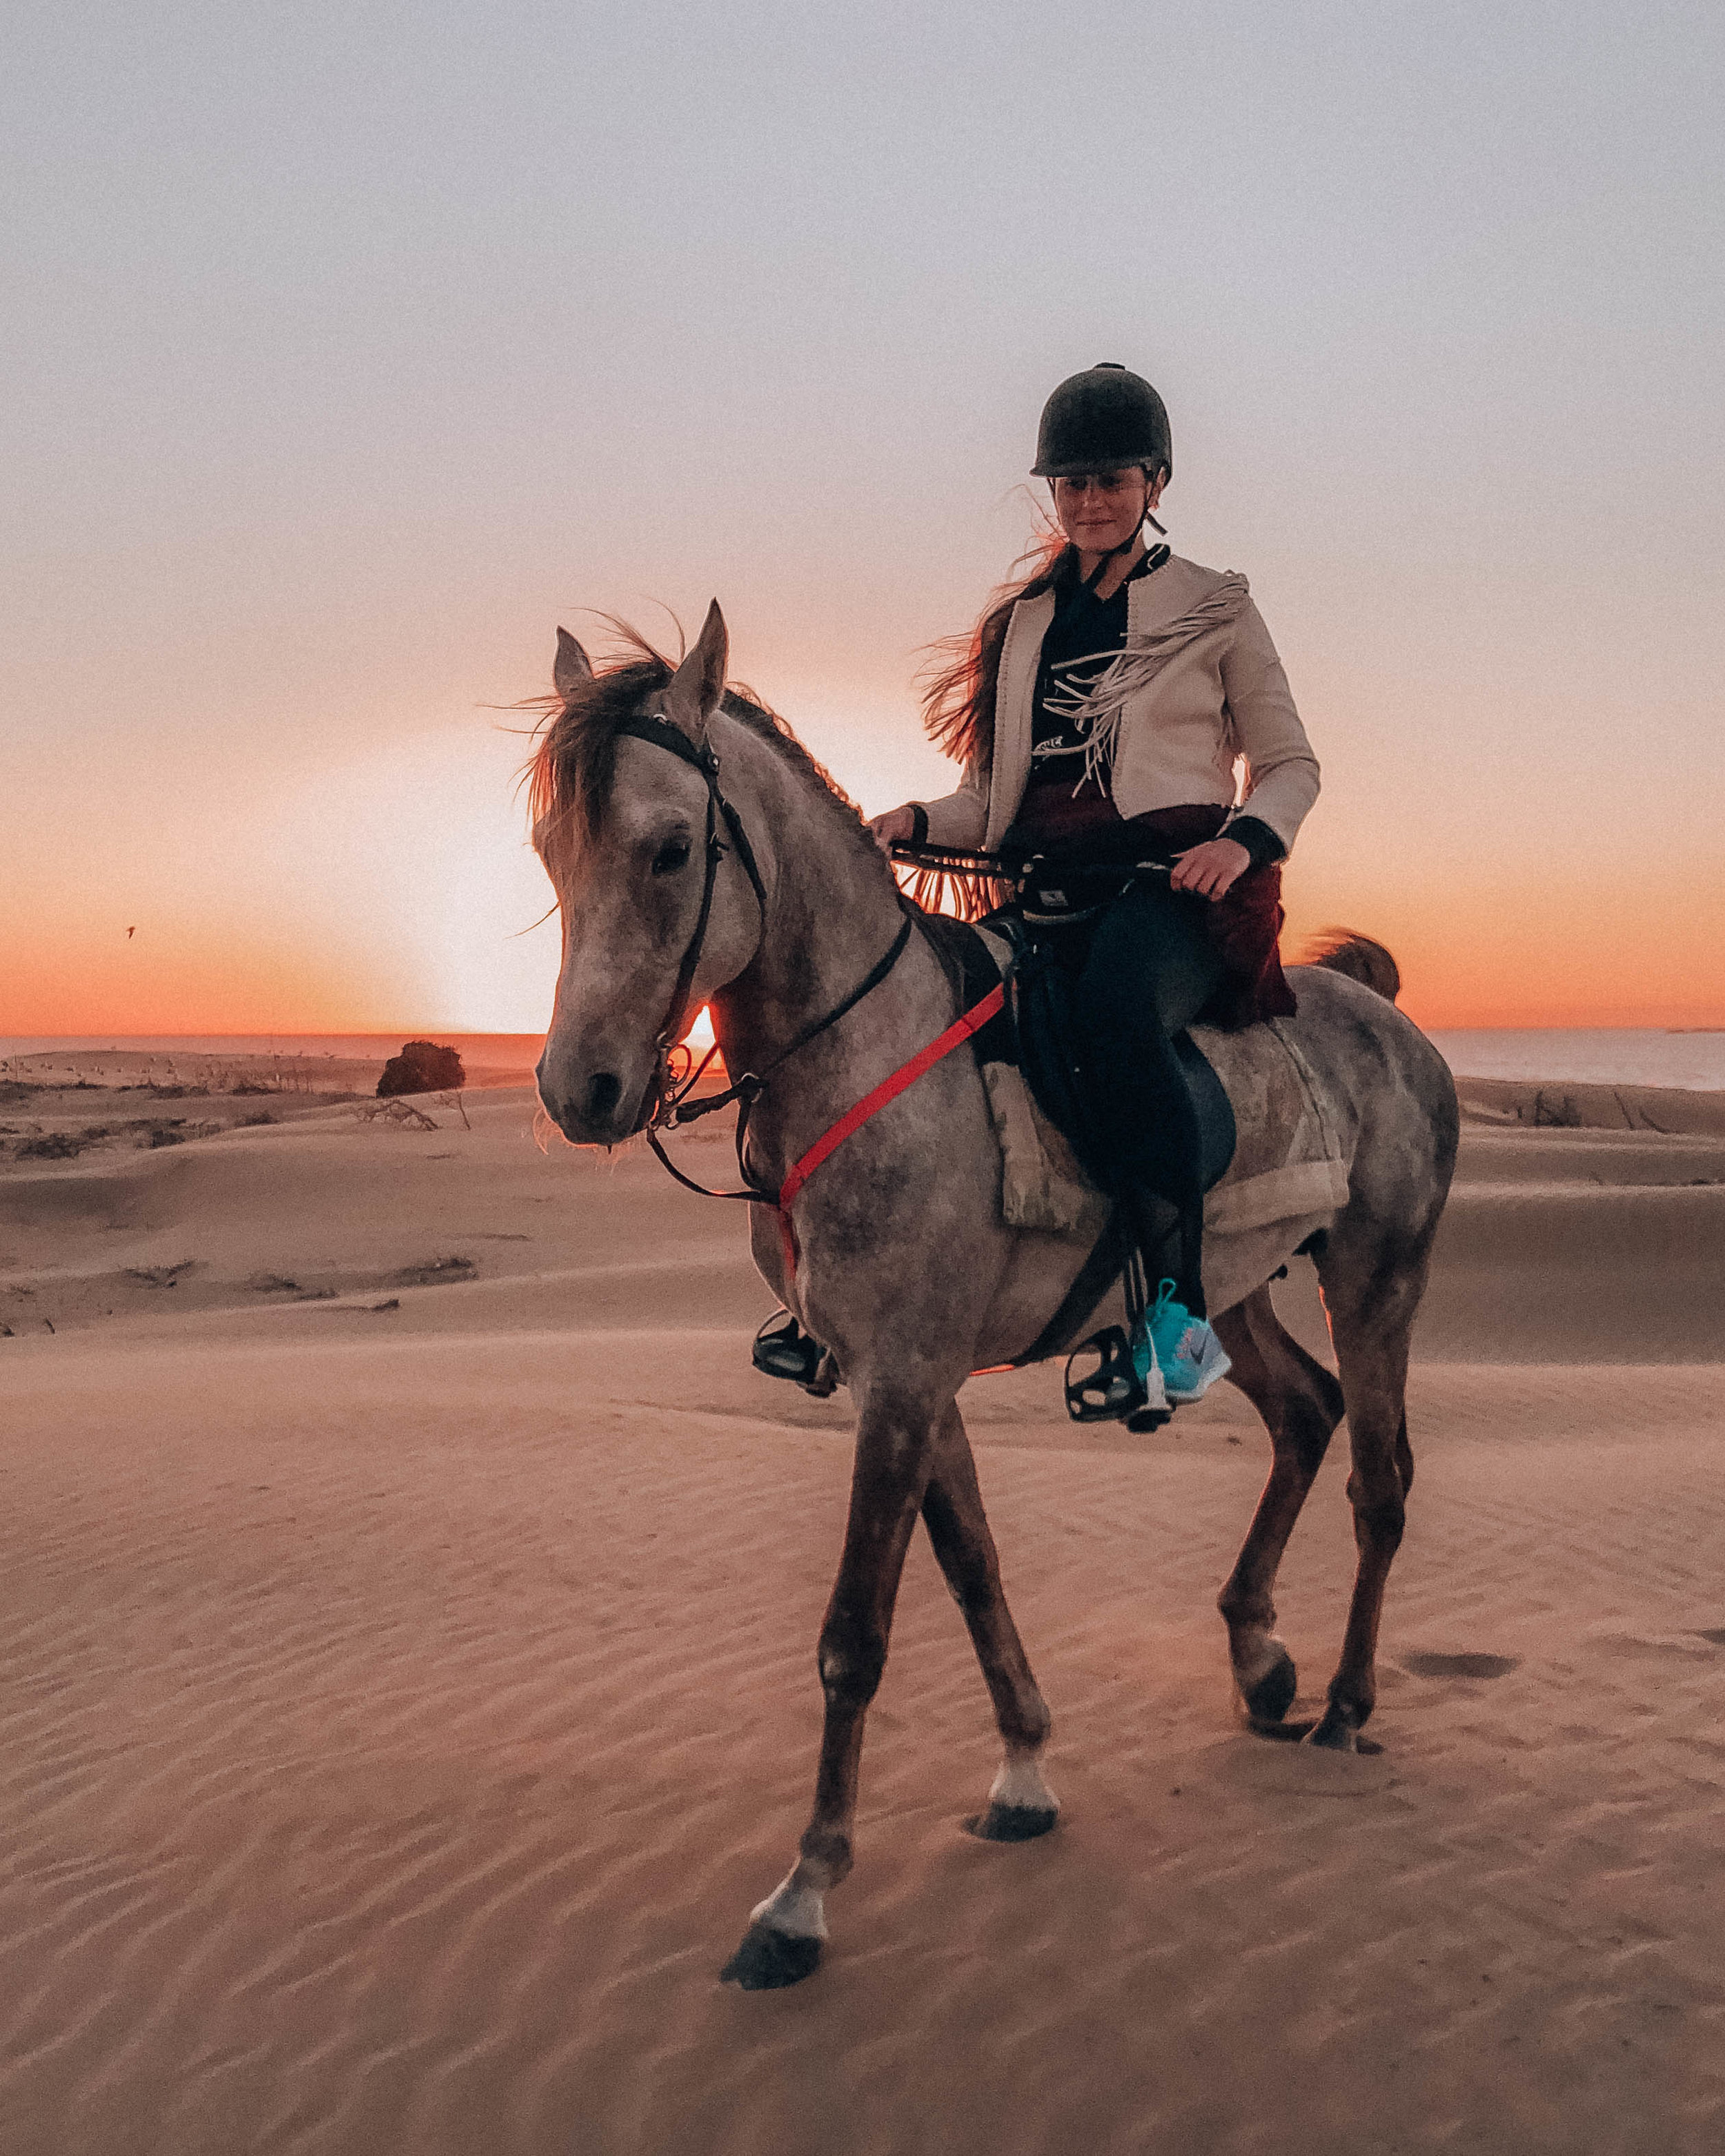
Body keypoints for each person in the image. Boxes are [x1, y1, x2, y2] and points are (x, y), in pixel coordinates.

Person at [867, 362, 1321, 1410]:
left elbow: (1291, 763)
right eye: (1069, 484)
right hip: (1045, 885)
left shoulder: (1216, 610)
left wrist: (1245, 841)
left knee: (1118, 1009)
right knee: (932, 1014)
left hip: (1177, 893)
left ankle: (1179, 1329)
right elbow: (991, 794)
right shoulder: (1022, 625)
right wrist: (917, 821)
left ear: (1156, 481)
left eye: (1110, 479)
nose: (1088, 501)